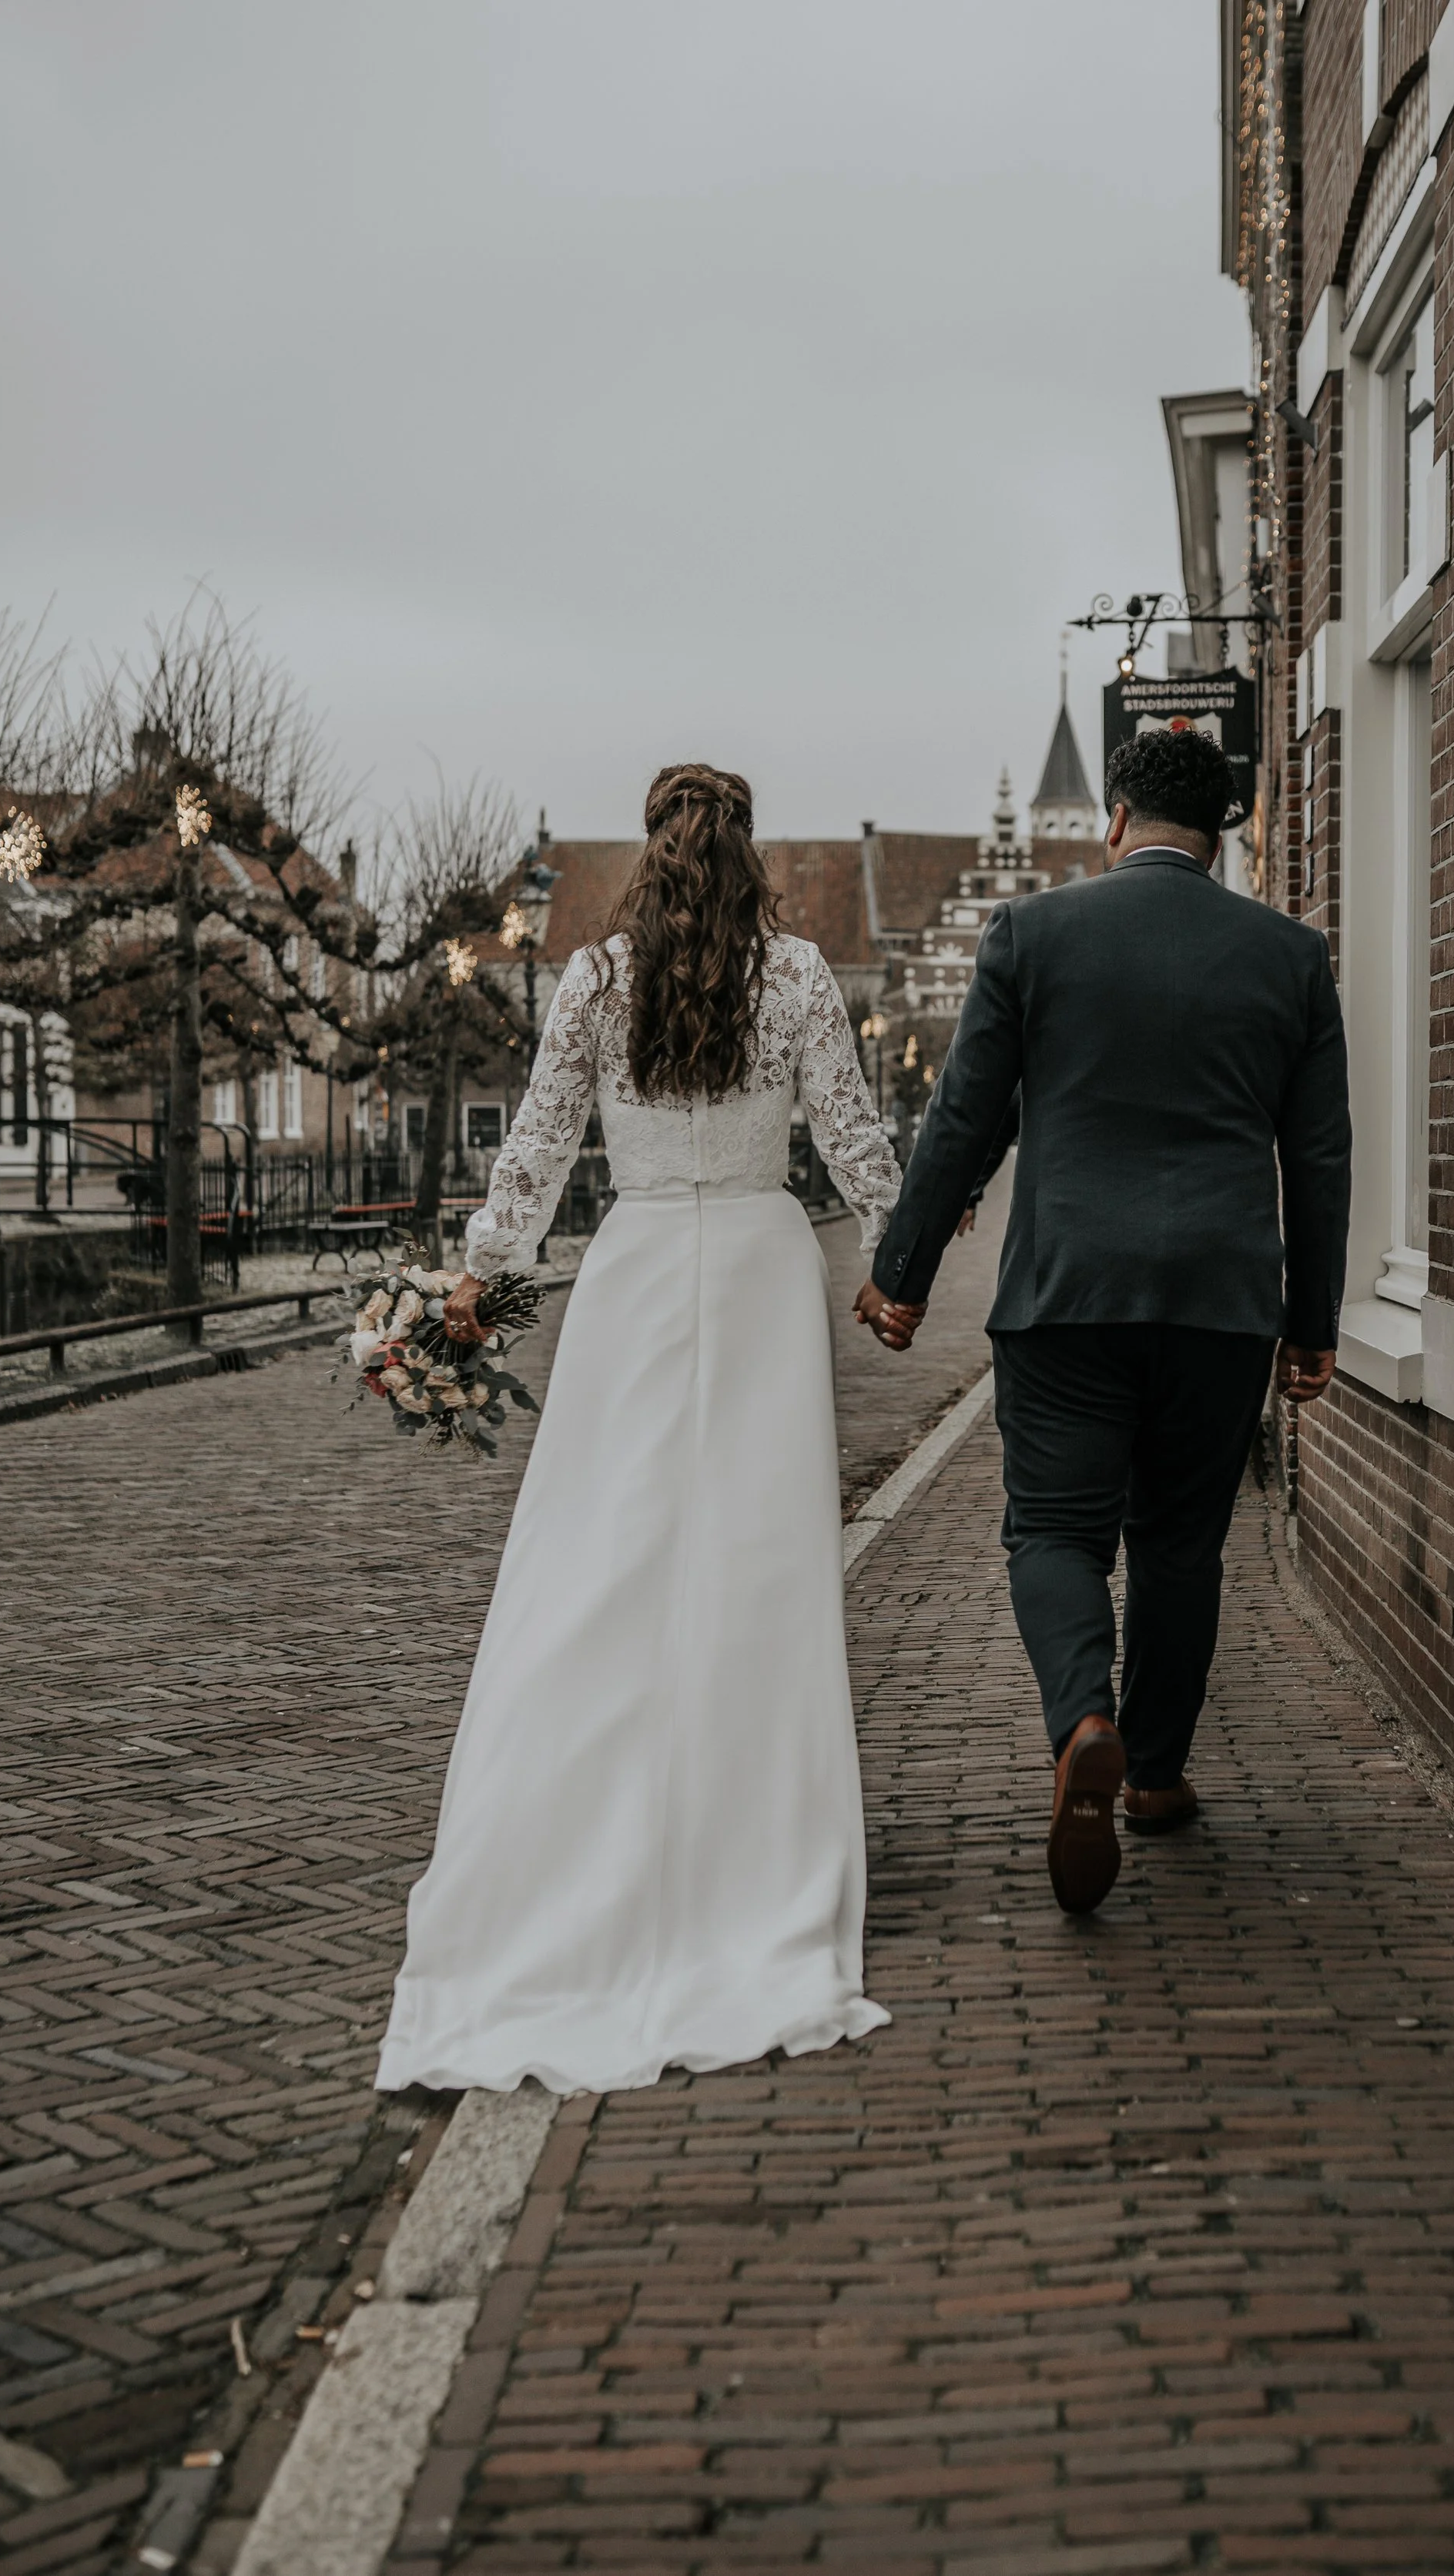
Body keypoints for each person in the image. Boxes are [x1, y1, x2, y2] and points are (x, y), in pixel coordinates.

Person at [376, 764, 900, 2096]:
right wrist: (900, 1259)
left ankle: (567, 1839)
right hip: (764, 1275)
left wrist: (473, 1290)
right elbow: (855, 1144)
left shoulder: (595, 985)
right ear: (747, 857)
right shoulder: (795, 980)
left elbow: (538, 1158)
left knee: (601, 1556)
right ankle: (755, 1848)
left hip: (639, 1270)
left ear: (654, 855)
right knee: (761, 1564)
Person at [856, 725, 1351, 1917]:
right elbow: (1319, 1155)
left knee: (1055, 1534)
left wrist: (903, 1271)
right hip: (1221, 1306)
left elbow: (965, 1120)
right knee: (1183, 1541)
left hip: (1067, 1296)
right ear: (1224, 836)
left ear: (1115, 820)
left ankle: (1082, 1719)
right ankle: (1158, 1771)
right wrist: (1312, 1321)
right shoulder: (1292, 956)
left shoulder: (1034, 934)